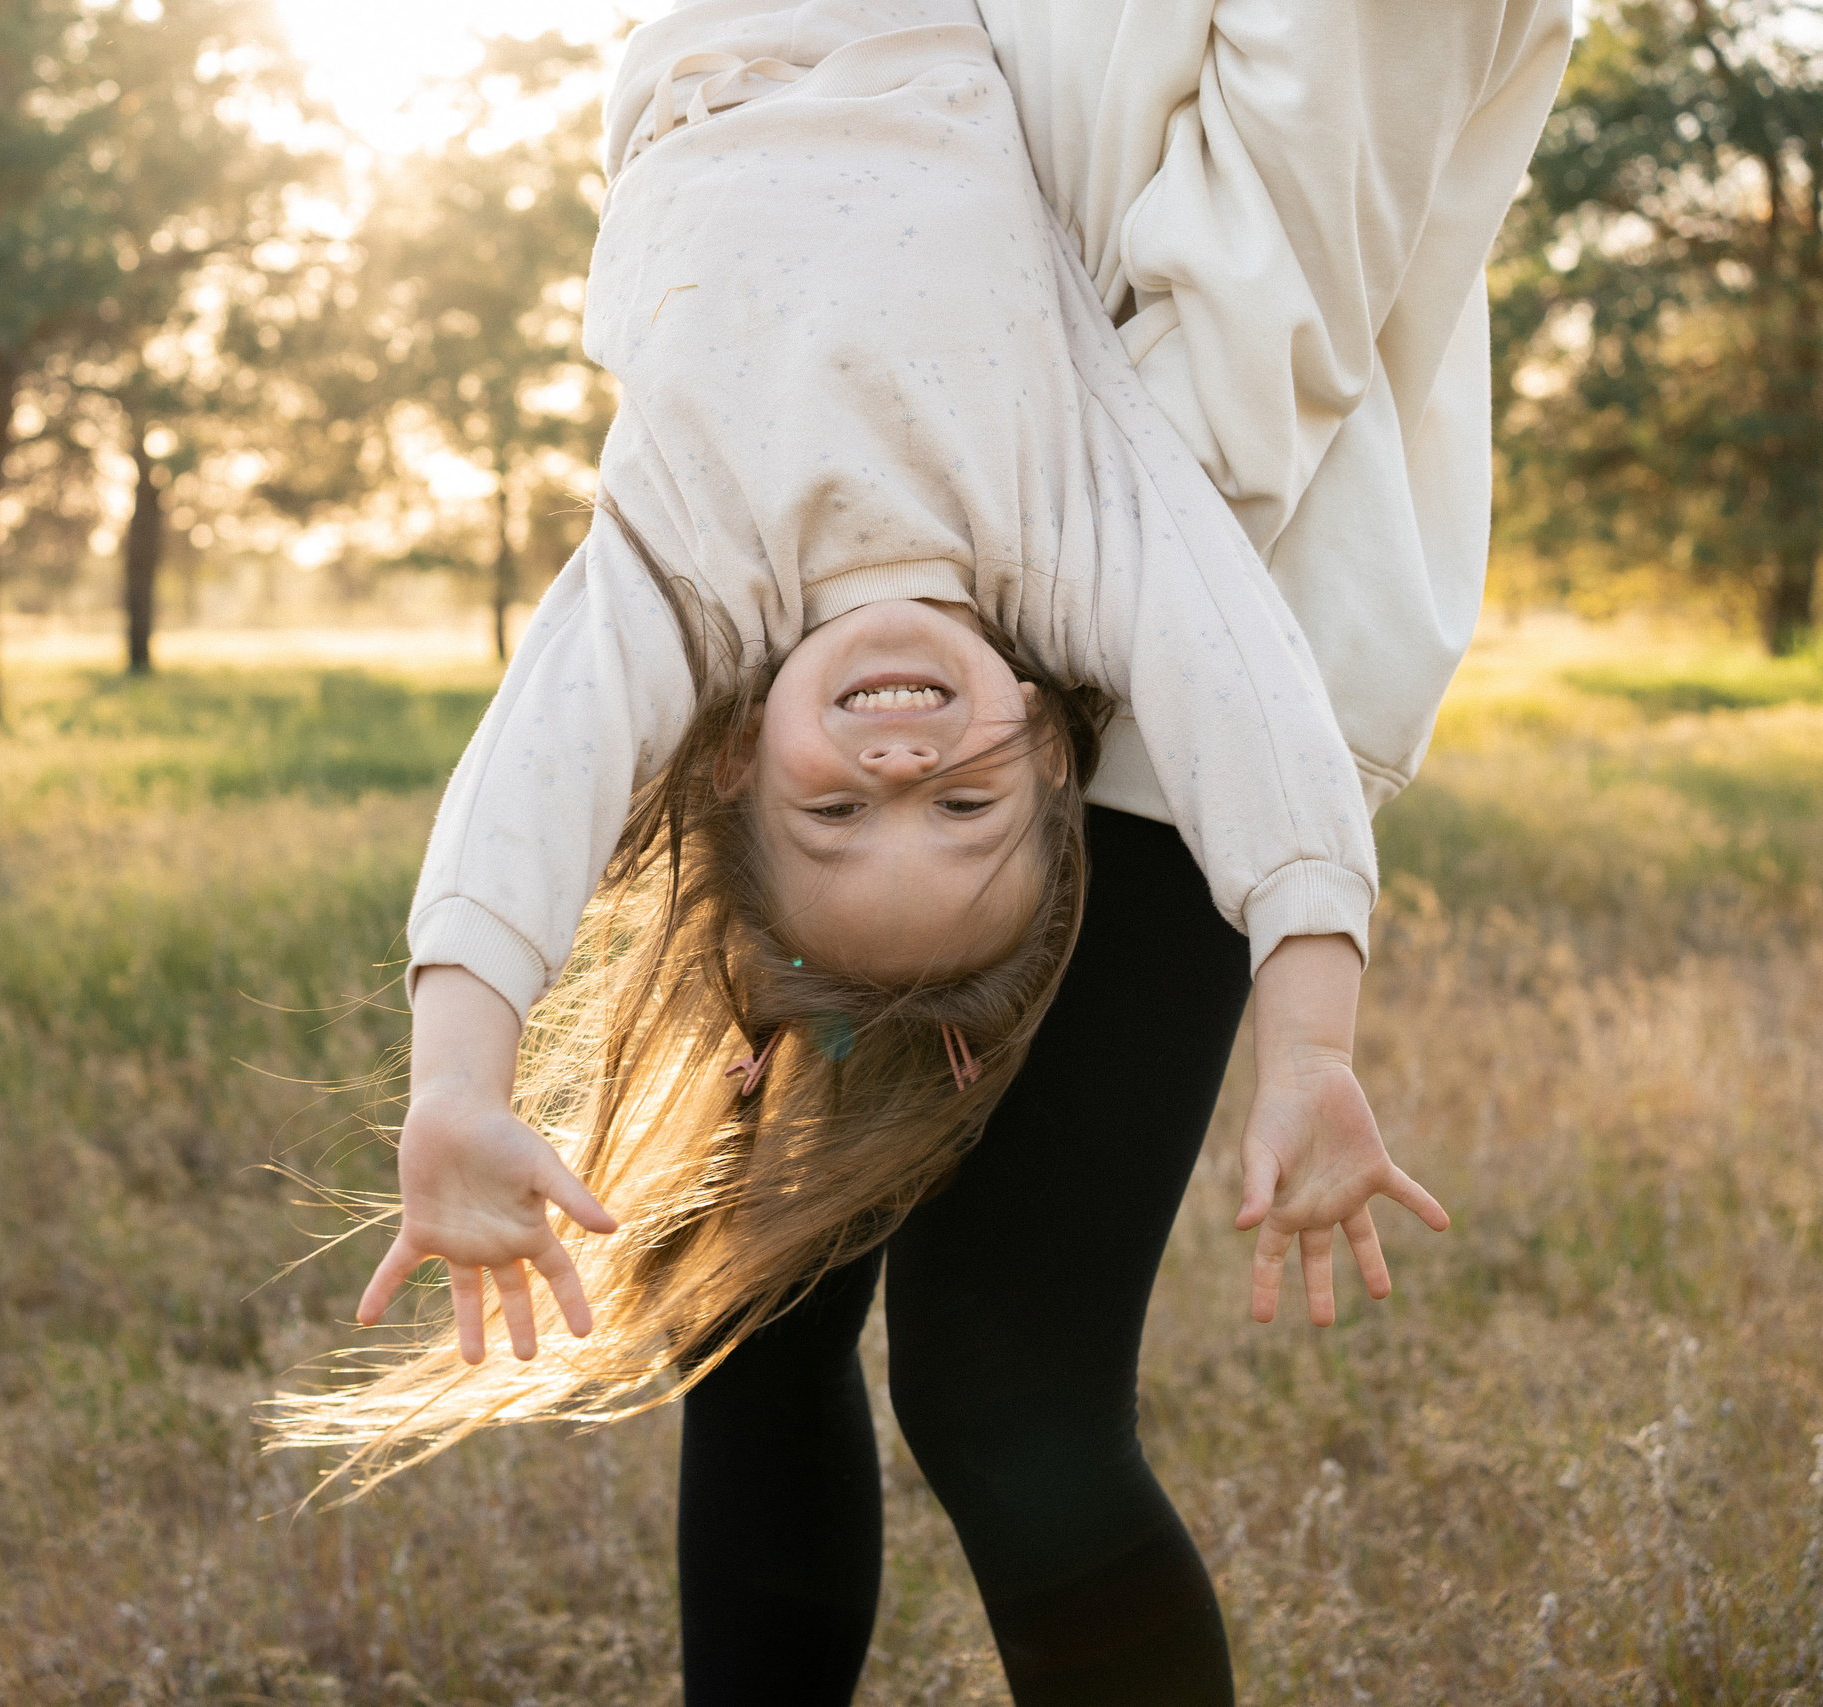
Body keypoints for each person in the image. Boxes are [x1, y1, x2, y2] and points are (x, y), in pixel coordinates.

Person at [271, 1, 1571, 1701]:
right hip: (994, 532)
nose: (907, 765)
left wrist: (453, 1078)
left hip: (1125, 654)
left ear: (733, 776)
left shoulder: (844, 573)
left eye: (885, 804)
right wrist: (1307, 1032)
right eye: (936, 802)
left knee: (1005, 1391)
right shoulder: (989, 589)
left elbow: (1271, 338)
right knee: (753, 1319)